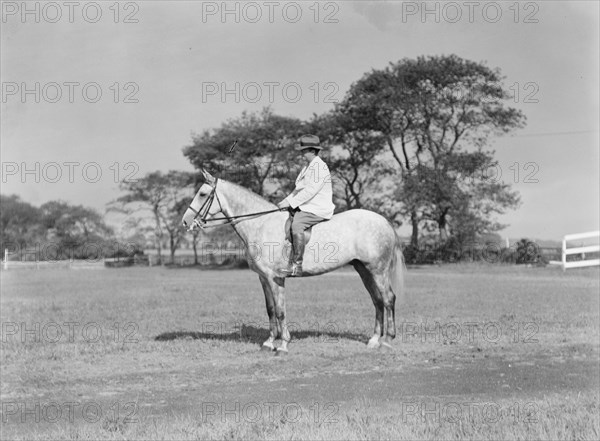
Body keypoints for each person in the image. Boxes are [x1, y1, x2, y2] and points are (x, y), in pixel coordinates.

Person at [277, 135, 335, 277]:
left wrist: (291, 203)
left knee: (297, 225)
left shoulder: (319, 167)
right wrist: (285, 201)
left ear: (312, 150)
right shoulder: (307, 167)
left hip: (316, 208)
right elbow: (298, 189)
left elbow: (310, 191)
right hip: (306, 205)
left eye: (303, 150)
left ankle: (297, 266)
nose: (301, 153)